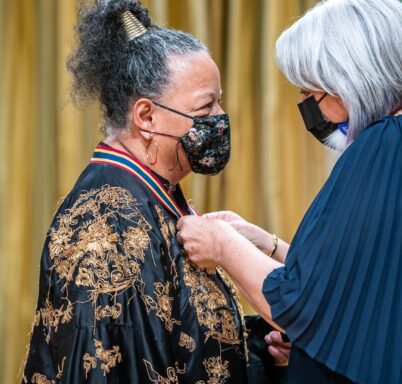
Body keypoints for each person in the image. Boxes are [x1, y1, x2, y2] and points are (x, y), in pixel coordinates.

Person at [176, 0, 402, 383]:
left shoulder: (384, 144)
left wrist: (221, 244)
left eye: (310, 92)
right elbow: (365, 278)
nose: (307, 107)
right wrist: (266, 244)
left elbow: (300, 302)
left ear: (350, 78)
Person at [21, 1, 282, 382]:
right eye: (206, 106)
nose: (219, 118)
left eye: (219, 101)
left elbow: (184, 339)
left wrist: (263, 347)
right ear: (146, 117)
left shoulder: (152, 194)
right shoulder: (107, 223)